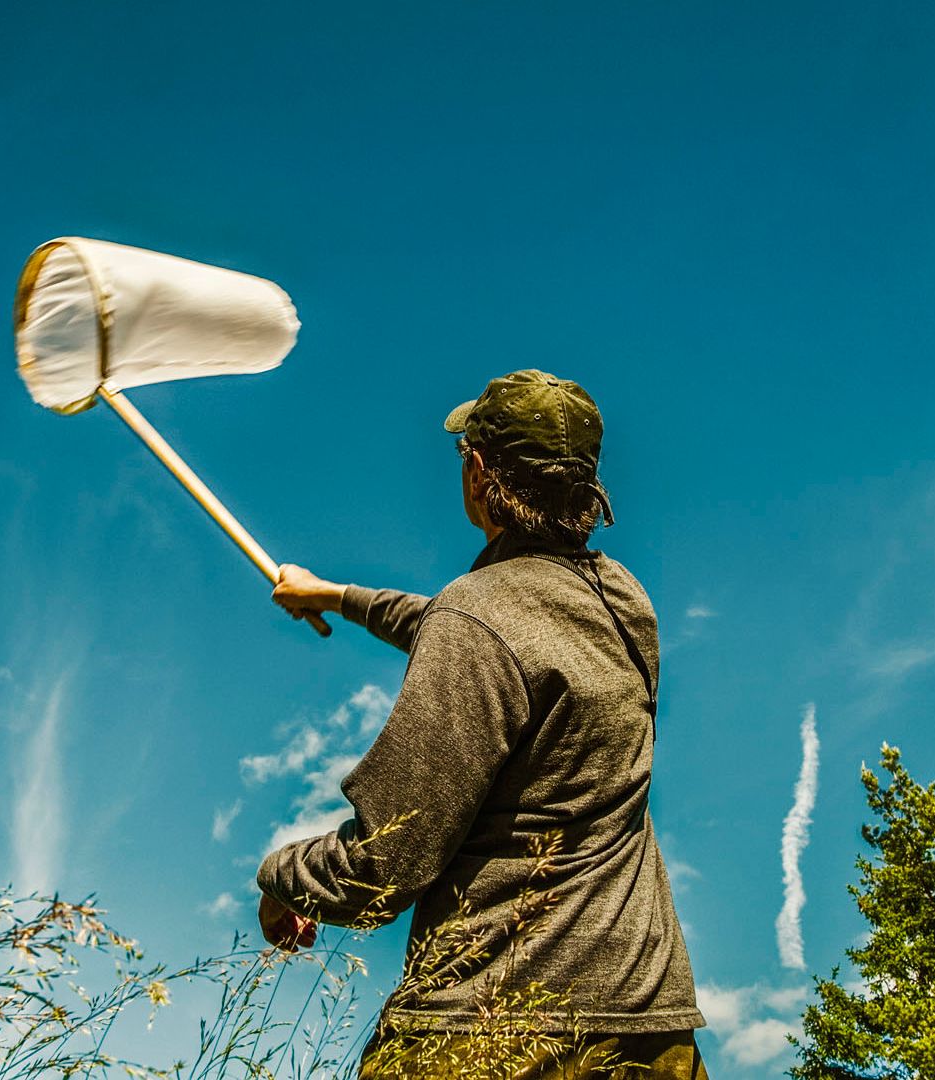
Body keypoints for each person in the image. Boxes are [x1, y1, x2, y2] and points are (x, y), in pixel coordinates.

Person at [262, 370, 708, 1078]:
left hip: (493, 1034)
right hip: (648, 1030)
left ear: (477, 472)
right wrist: (337, 595)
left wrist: (281, 877)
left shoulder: (475, 618)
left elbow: (387, 863)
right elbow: (478, 627)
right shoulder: (626, 604)